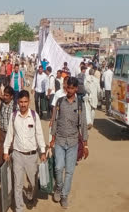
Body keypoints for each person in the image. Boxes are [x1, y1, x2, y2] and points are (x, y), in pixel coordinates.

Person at [3, 90, 46, 212]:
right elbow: (10, 134)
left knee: (32, 183)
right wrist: (6, 151)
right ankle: (19, 208)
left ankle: (30, 196)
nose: (23, 104)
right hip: (17, 155)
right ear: (18, 102)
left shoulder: (34, 116)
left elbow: (39, 134)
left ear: (29, 102)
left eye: (25, 102)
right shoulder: (14, 116)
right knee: (18, 184)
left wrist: (42, 151)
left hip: (32, 156)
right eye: (21, 102)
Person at [50, 77, 89, 209]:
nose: (70, 90)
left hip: (73, 142)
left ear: (76, 89)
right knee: (58, 167)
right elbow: (55, 120)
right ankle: (59, 187)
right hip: (60, 140)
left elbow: (83, 124)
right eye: (68, 88)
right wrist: (52, 138)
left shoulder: (80, 105)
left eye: (72, 88)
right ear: (66, 88)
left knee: (69, 172)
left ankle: (64, 195)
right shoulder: (60, 102)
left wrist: (85, 144)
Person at [0, 86, 16, 167]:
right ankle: (1, 172)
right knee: (0, 153)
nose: (4, 97)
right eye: (4, 95)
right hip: (1, 133)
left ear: (11, 96)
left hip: (11, 134)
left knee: (11, 153)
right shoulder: (2, 104)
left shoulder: (15, 107)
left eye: (7, 95)